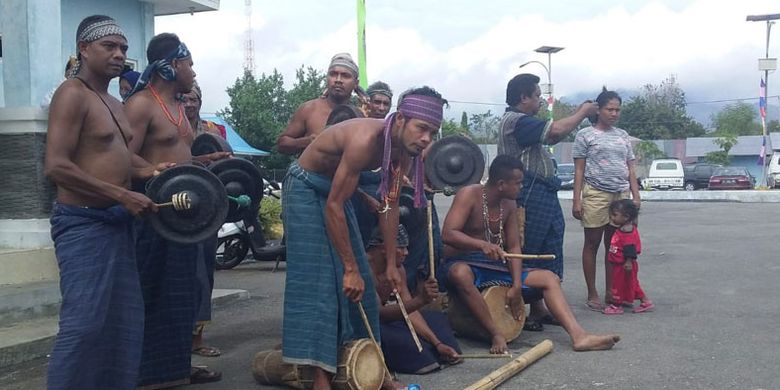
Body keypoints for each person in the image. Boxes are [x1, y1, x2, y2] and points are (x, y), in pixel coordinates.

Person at [282, 86, 445, 389]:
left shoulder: (405, 152)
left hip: (335, 194)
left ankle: (377, 371)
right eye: (422, 128)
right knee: (322, 283)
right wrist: (350, 268)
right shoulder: (364, 140)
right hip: (304, 188)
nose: (426, 139)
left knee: (366, 289)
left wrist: (393, 263)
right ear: (400, 120)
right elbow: (334, 205)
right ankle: (320, 377)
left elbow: (389, 205)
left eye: (432, 133)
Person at [43, 15, 158, 389]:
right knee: (85, 325)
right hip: (83, 224)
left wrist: (156, 172)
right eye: (109, 46)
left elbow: (119, 158)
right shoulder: (71, 94)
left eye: (123, 48)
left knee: (122, 325)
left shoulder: (113, 100)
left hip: (118, 224)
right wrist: (122, 195)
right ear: (83, 49)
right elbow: (56, 166)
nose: (119, 54)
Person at [441, 155, 621, 354]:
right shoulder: (469, 194)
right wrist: (481, 245)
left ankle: (579, 336)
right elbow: (448, 234)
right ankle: (496, 333)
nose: (521, 187)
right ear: (501, 184)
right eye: (518, 183)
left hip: (495, 265)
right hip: (463, 262)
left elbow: (514, 248)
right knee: (460, 274)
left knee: (549, 278)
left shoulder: (509, 204)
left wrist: (517, 284)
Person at [125, 32, 225, 387]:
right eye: (189, 64)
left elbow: (173, 158)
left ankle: (177, 367)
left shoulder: (180, 108)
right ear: (170, 67)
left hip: (184, 218)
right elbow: (124, 156)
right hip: (154, 215)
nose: (193, 72)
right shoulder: (141, 105)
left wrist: (202, 160)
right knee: (153, 291)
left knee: (184, 295)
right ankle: (145, 373)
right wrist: (151, 171)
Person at [496, 73, 598, 328]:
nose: (540, 101)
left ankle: (539, 307)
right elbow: (555, 130)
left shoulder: (523, 122)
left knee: (547, 247)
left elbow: (552, 136)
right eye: (537, 96)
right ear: (524, 97)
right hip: (528, 193)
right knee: (531, 247)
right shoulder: (517, 121)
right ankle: (523, 308)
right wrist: (582, 112)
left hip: (541, 192)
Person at [571, 88, 641, 312]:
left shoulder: (622, 136)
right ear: (599, 110)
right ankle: (592, 293)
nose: (614, 113)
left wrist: (635, 195)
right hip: (596, 194)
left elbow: (630, 167)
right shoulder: (585, 135)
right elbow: (579, 170)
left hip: (620, 195)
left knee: (615, 246)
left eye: (617, 110)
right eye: (610, 109)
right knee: (592, 243)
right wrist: (577, 200)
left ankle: (613, 291)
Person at [366, 225, 461, 374]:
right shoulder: (365, 268)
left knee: (437, 322)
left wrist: (437, 343)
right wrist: (420, 300)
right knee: (402, 341)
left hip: (392, 319)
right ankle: (428, 354)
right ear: (384, 248)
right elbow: (379, 314)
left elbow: (410, 311)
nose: (406, 253)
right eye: (401, 248)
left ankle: (439, 350)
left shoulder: (399, 269)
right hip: (369, 325)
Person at [276, 53, 359, 155]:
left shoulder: (359, 116)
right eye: (333, 74)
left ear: (356, 83)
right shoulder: (309, 109)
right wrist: (306, 142)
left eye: (345, 76)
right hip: (310, 170)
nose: (338, 80)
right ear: (327, 78)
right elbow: (282, 144)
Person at [603, 201, 654, 315]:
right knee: (630, 283)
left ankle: (617, 305)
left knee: (619, 284)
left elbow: (630, 248)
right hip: (620, 264)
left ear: (626, 217)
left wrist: (628, 261)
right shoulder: (624, 228)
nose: (612, 218)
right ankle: (643, 301)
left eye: (615, 215)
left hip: (624, 265)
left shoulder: (627, 231)